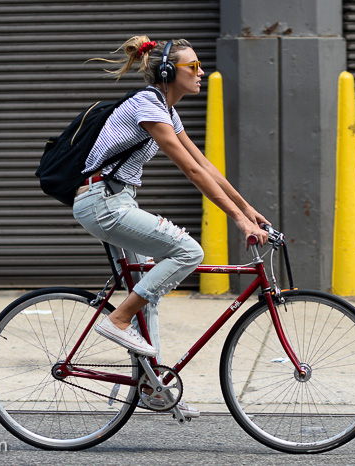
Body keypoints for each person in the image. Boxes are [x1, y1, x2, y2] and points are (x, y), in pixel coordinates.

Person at [72, 36, 269, 417]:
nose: (201, 73)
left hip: (116, 201)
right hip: (103, 202)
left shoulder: (166, 110)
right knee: (188, 251)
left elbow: (207, 165)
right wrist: (238, 220)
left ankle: (151, 386)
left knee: (151, 289)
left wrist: (249, 209)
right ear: (167, 72)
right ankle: (118, 319)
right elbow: (192, 171)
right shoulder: (147, 105)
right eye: (192, 67)